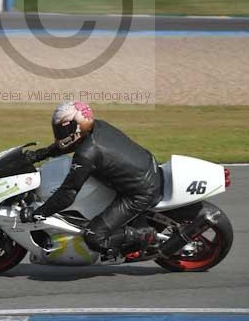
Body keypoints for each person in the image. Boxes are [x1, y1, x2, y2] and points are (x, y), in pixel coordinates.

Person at [20, 101, 163, 259]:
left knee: (93, 236)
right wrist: (38, 155)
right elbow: (65, 145)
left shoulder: (87, 153)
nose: (60, 132)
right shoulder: (96, 127)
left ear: (78, 127)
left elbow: (68, 193)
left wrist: (39, 213)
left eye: (64, 129)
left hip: (140, 193)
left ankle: (144, 236)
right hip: (143, 168)